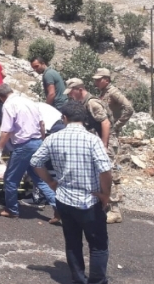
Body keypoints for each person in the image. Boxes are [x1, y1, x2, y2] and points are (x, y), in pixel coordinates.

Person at [31, 100, 113, 284]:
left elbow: (36, 162)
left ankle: (78, 279)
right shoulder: (93, 140)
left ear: (64, 118)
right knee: (98, 245)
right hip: (89, 201)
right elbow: (105, 170)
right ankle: (97, 281)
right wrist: (105, 195)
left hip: (64, 199)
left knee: (73, 243)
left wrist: (51, 182)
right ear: (83, 119)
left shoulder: (53, 138)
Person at [0, 84, 58, 222]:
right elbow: (42, 124)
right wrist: (42, 141)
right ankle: (58, 209)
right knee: (39, 178)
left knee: (10, 178)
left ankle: (11, 209)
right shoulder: (29, 102)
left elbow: (6, 130)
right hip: (37, 142)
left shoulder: (9, 105)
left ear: (1, 97)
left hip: (23, 146)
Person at [65, 77, 122, 224]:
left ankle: (115, 211)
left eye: (71, 92)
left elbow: (106, 123)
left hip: (106, 142)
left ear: (79, 89)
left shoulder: (92, 103)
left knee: (108, 172)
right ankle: (104, 205)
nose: (69, 95)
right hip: (97, 141)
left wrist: (103, 145)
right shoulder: (83, 103)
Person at [93, 68, 134, 136]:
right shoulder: (103, 92)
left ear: (107, 80)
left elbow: (129, 109)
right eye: (96, 80)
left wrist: (116, 126)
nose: (96, 82)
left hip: (111, 133)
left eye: (99, 80)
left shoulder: (113, 92)